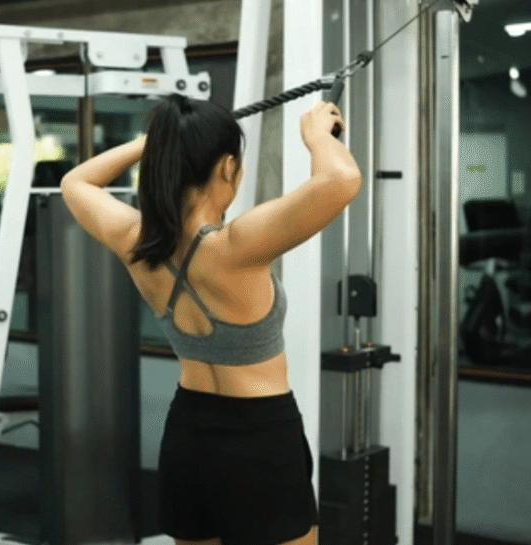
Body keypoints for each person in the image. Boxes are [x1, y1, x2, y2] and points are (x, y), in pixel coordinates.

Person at [60, 93, 361, 545]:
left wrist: (155, 143)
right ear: (226, 168)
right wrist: (316, 135)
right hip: (260, 439)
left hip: (188, 435)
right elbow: (341, 177)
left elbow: (76, 182)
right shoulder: (235, 246)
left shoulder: (135, 240)